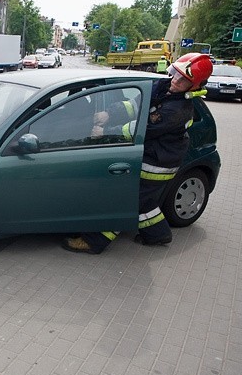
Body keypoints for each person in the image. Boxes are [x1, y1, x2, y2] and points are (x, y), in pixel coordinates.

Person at [62, 52, 213, 255]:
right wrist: (109, 114)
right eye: (175, 74)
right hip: (152, 155)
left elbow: (141, 128)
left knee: (125, 198)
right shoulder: (162, 86)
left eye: (183, 80)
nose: (175, 81)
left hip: (158, 164)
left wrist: (105, 132)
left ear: (193, 86)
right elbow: (133, 105)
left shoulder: (178, 110)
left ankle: (94, 241)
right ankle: (158, 234)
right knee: (144, 202)